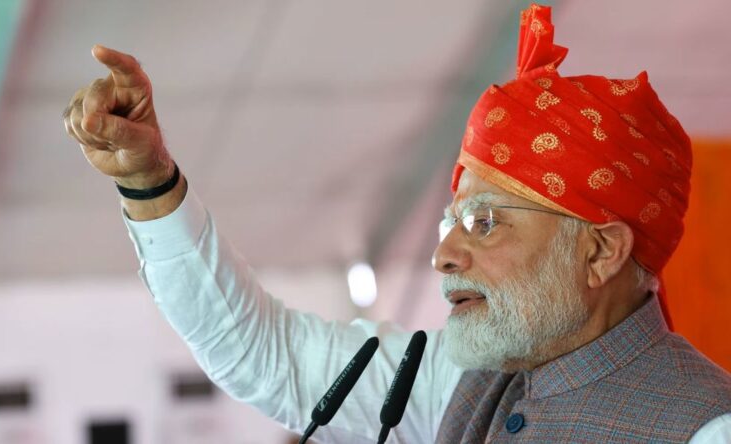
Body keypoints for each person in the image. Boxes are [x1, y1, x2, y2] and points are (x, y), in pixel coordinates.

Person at [63, 4, 731, 443]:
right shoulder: (455, 381)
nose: (444, 254)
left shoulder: (704, 428)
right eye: (450, 221)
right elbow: (265, 356)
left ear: (601, 251)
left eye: (484, 222)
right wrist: (148, 181)